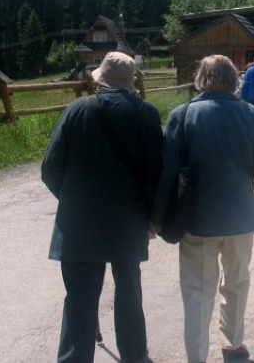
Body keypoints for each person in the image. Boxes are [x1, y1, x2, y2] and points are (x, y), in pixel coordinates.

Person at [151, 55, 254, 363]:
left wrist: (156, 216)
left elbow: (167, 171)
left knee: (196, 291)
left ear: (201, 79)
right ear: (234, 80)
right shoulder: (252, 116)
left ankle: (197, 356)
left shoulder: (182, 114)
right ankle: (232, 345)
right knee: (237, 283)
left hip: (196, 221)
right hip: (241, 219)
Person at [41, 51, 163, 363]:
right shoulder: (146, 113)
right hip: (128, 221)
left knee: (80, 299)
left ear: (101, 79)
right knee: (129, 293)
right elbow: (155, 172)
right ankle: (135, 357)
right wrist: (152, 214)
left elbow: (50, 168)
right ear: (131, 82)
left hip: (79, 223)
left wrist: (71, 200)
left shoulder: (77, 109)